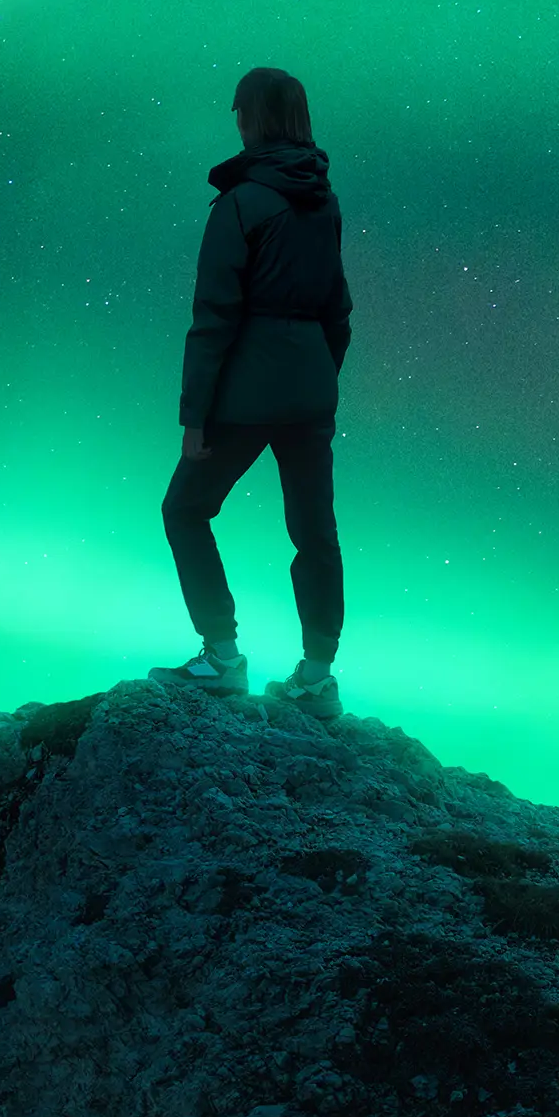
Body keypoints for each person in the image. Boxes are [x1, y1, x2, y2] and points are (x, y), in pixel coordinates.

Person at [154, 67, 350, 717]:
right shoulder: (325, 201)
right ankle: (318, 677)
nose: (234, 120)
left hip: (244, 392)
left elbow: (214, 314)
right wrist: (320, 377)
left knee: (184, 509)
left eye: (238, 110)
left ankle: (222, 657)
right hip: (310, 392)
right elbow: (337, 310)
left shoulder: (242, 201)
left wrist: (196, 415)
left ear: (253, 119)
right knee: (314, 530)